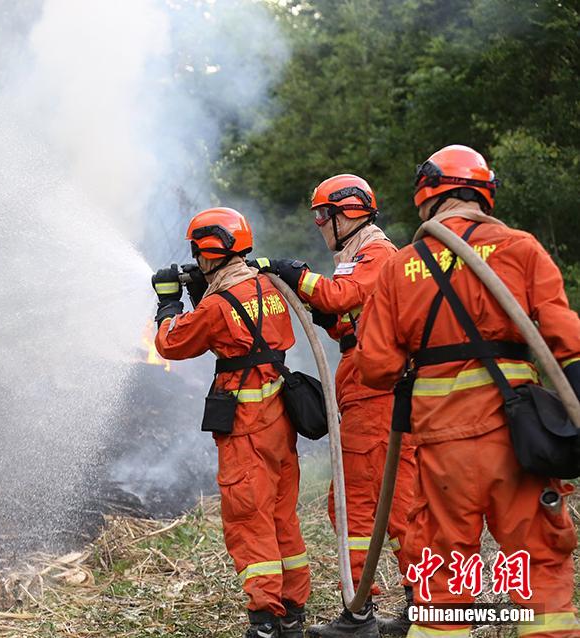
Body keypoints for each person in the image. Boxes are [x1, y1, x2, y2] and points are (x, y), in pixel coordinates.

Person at [354, 144, 580, 638]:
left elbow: (375, 368)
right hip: (519, 438)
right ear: (484, 194)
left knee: (440, 569)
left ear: (427, 195)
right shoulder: (521, 248)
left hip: (441, 446)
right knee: (540, 561)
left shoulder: (399, 267)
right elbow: (567, 340)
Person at [254, 174, 416, 637]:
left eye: (324, 215)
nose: (320, 225)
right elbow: (349, 314)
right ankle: (414, 604)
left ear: (351, 213)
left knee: (359, 503)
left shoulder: (376, 253)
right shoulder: (359, 256)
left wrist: (292, 270)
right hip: (366, 384)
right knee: (379, 501)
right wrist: (326, 313)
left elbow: (341, 295)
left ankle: (362, 615)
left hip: (375, 392)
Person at [152, 207, 310, 638]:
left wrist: (169, 303)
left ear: (208, 249)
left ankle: (264, 618)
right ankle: (293, 609)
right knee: (281, 514)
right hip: (279, 416)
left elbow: (172, 343)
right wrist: (205, 289)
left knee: (248, 516)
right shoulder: (267, 287)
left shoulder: (219, 304)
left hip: (245, 422)